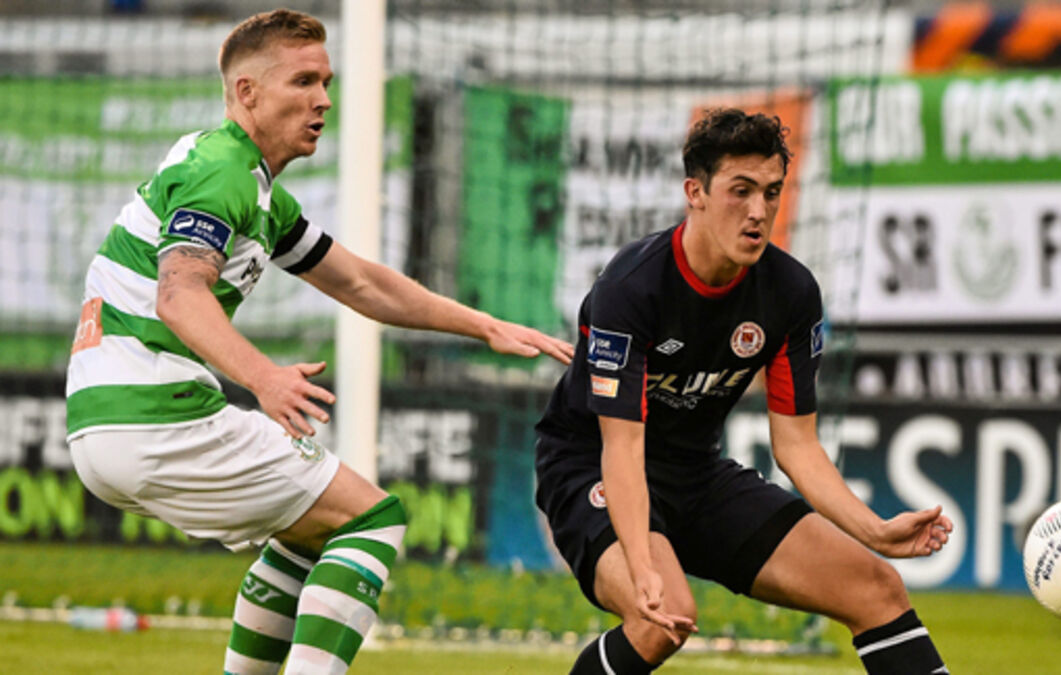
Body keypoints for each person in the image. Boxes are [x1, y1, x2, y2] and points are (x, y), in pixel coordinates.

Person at [64, 9, 572, 675]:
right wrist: (265, 378)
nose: (324, 99)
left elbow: (361, 282)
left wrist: (483, 325)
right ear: (247, 93)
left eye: (326, 82)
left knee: (311, 531)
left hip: (102, 425)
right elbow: (179, 294)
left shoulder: (256, 191)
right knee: (373, 519)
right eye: (303, 81)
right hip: (154, 413)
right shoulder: (221, 170)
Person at [534, 108, 953, 675]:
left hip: (695, 475)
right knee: (663, 618)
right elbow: (622, 447)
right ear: (696, 193)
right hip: (591, 468)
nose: (759, 211)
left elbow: (797, 446)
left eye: (771, 192)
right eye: (741, 191)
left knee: (876, 588)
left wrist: (874, 530)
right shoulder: (630, 289)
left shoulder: (791, 293)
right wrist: (642, 565)